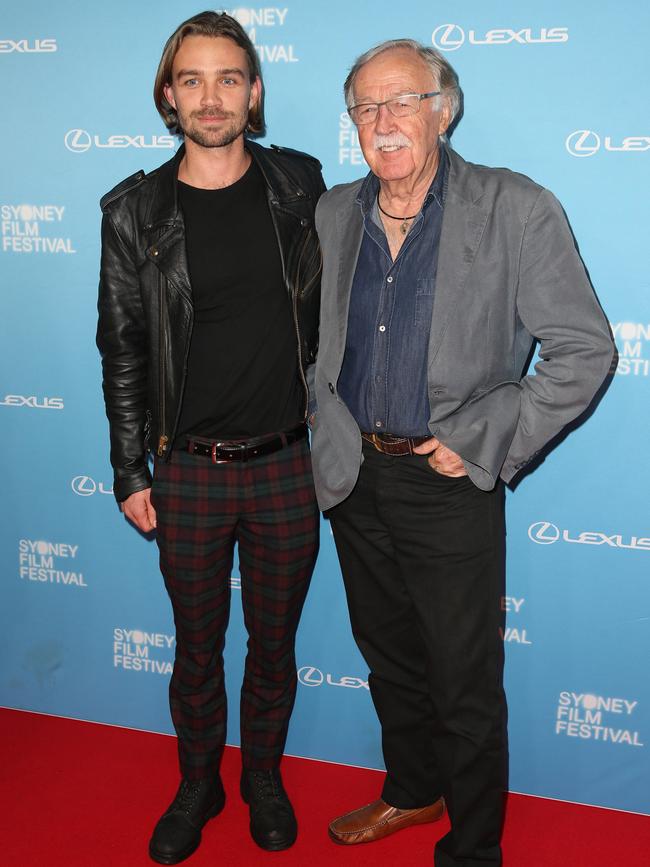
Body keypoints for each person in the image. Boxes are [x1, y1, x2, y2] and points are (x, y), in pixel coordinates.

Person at [309, 39, 614, 867]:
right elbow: (312, 346)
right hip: (353, 476)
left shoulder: (513, 206)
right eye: (366, 108)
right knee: (389, 659)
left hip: (448, 483)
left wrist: (483, 439)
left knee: (464, 685)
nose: (384, 122)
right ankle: (412, 791)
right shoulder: (334, 213)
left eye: (403, 101)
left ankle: (474, 848)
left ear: (445, 108)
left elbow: (585, 348)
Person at [97, 11, 324, 864]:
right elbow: (122, 346)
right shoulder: (134, 211)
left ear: (254, 90)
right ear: (168, 95)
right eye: (191, 79)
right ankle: (200, 781)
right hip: (186, 471)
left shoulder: (300, 185)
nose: (211, 95)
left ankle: (262, 774)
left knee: (274, 646)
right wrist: (130, 467)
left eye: (229, 77)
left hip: (288, 465)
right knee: (197, 650)